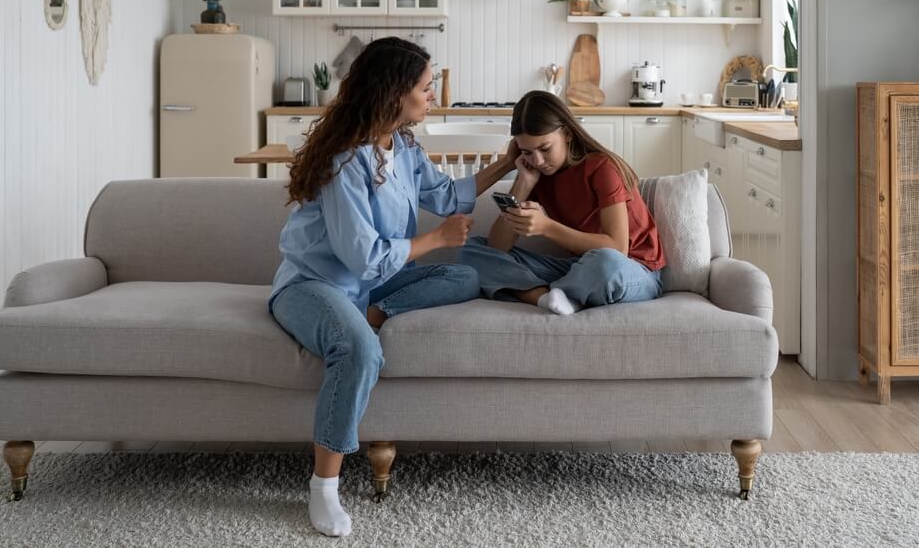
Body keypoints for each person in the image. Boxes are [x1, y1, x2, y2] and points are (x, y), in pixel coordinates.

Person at [269, 37, 517, 537]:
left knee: (466, 272)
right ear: (395, 92)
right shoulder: (345, 160)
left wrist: (506, 164)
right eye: (426, 88)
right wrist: (433, 240)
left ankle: (375, 314)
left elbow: (446, 196)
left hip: (370, 287)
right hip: (315, 286)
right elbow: (362, 257)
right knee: (359, 352)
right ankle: (324, 487)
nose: (432, 97)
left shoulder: (400, 146)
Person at [458, 90, 665, 315]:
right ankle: (547, 298)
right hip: (579, 269)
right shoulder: (537, 173)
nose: (538, 161)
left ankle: (561, 292)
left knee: (606, 262)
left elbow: (618, 248)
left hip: (633, 271)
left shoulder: (603, 168)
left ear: (566, 133)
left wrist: (547, 227)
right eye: (527, 152)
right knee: (473, 250)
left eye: (545, 148)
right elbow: (498, 248)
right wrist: (524, 184)